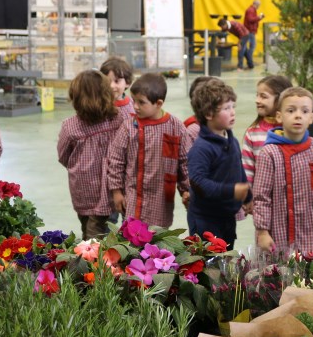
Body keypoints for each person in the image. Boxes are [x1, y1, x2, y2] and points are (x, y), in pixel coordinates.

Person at [106, 73, 189, 228]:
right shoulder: (129, 127)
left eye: (141, 102)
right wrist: (116, 191)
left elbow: (185, 163)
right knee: (131, 240)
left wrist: (187, 190)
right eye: (134, 100)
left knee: (157, 242)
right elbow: (116, 159)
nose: (135, 106)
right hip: (132, 199)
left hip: (161, 200)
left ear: (158, 103)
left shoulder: (176, 127)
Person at [253, 87, 313, 254]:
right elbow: (261, 196)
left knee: (310, 275)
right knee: (276, 276)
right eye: (291, 110)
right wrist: (262, 231)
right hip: (277, 233)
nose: (298, 115)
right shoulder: (270, 153)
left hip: (309, 231)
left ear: (311, 118)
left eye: (304, 111)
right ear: (279, 116)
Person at [57, 70, 128, 239]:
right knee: (105, 227)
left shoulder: (70, 126)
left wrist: (80, 166)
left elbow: (63, 155)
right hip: (114, 187)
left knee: (91, 234)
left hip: (84, 190)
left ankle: (97, 260)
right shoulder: (118, 119)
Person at [186, 78, 250, 248]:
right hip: (206, 220)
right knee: (209, 266)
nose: (233, 112)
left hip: (226, 215)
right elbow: (198, 182)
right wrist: (231, 190)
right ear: (208, 114)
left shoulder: (230, 138)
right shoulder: (202, 148)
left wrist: (247, 197)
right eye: (226, 108)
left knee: (226, 260)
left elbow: (238, 168)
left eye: (233, 107)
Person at [242, 75, 293, 190]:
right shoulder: (253, 133)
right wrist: (248, 197)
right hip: (262, 200)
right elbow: (247, 169)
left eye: (263, 96)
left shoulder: (294, 131)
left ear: (280, 99)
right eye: (257, 95)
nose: (257, 100)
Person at [243, 0, 264, 65]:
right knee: (252, 46)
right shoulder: (251, 10)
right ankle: (249, 61)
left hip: (250, 30)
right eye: (258, 5)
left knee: (251, 46)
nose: (258, 7)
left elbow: (253, 19)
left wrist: (259, 18)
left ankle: (250, 60)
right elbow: (250, 20)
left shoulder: (252, 10)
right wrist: (258, 17)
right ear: (256, 4)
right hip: (250, 30)